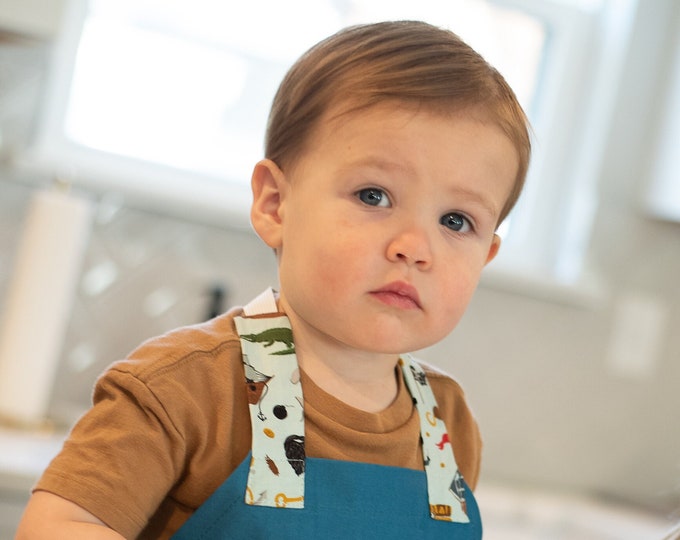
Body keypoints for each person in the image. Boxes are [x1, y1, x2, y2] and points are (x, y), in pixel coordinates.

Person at [17, 20, 531, 539]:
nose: (414, 248)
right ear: (275, 204)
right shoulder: (187, 389)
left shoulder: (448, 423)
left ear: (486, 255)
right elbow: (60, 525)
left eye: (455, 221)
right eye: (373, 195)